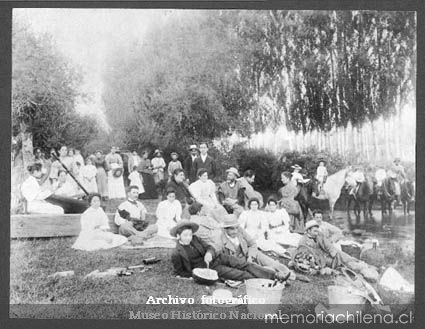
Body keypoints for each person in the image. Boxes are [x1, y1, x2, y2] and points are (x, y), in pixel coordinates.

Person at [170, 221, 290, 282]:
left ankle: (275, 275)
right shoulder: (177, 253)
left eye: (190, 235)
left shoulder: (195, 239)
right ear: (178, 236)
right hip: (209, 269)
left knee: (244, 264)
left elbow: (209, 247)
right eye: (185, 235)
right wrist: (198, 274)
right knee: (239, 274)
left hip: (218, 258)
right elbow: (180, 272)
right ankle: (270, 280)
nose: (188, 238)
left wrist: (208, 253)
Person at [218, 214, 294, 280]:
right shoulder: (220, 239)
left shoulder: (240, 231)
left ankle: (288, 274)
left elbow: (252, 244)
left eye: (236, 227)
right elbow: (225, 261)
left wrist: (251, 256)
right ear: (225, 229)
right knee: (261, 270)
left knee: (271, 262)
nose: (235, 231)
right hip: (240, 264)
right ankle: (277, 276)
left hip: (249, 254)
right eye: (232, 229)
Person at [297, 220, 378, 279]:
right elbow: (305, 255)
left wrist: (332, 252)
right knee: (341, 262)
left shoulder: (318, 236)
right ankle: (361, 268)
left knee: (339, 254)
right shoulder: (303, 241)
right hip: (320, 261)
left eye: (317, 230)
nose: (316, 232)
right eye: (314, 231)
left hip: (326, 255)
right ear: (308, 231)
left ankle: (361, 264)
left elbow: (327, 245)